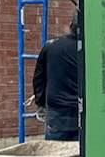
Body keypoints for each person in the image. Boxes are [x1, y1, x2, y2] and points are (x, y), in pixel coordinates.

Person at [32, 11, 81, 142]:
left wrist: (40, 103)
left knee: (55, 155)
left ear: (71, 26)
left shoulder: (51, 46)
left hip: (57, 113)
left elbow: (39, 79)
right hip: (83, 111)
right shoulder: (91, 49)